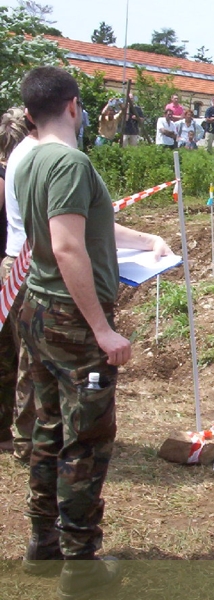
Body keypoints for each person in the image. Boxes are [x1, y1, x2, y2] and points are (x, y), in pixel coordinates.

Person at [15, 66, 174, 595]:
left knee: (48, 429)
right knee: (85, 441)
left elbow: (86, 223)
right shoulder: (70, 162)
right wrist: (103, 330)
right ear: (75, 107)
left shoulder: (28, 160)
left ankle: (43, 543)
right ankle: (80, 564)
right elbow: (66, 246)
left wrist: (144, 236)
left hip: (39, 311)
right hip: (72, 322)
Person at [3, 114, 38, 463]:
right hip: (24, 263)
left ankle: (20, 435)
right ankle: (27, 441)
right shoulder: (31, 156)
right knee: (29, 356)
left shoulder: (20, 156)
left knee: (17, 355)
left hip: (14, 259)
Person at [0, 107, 28, 454]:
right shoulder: (14, 179)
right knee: (21, 355)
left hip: (8, 266)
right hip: (15, 268)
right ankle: (23, 433)